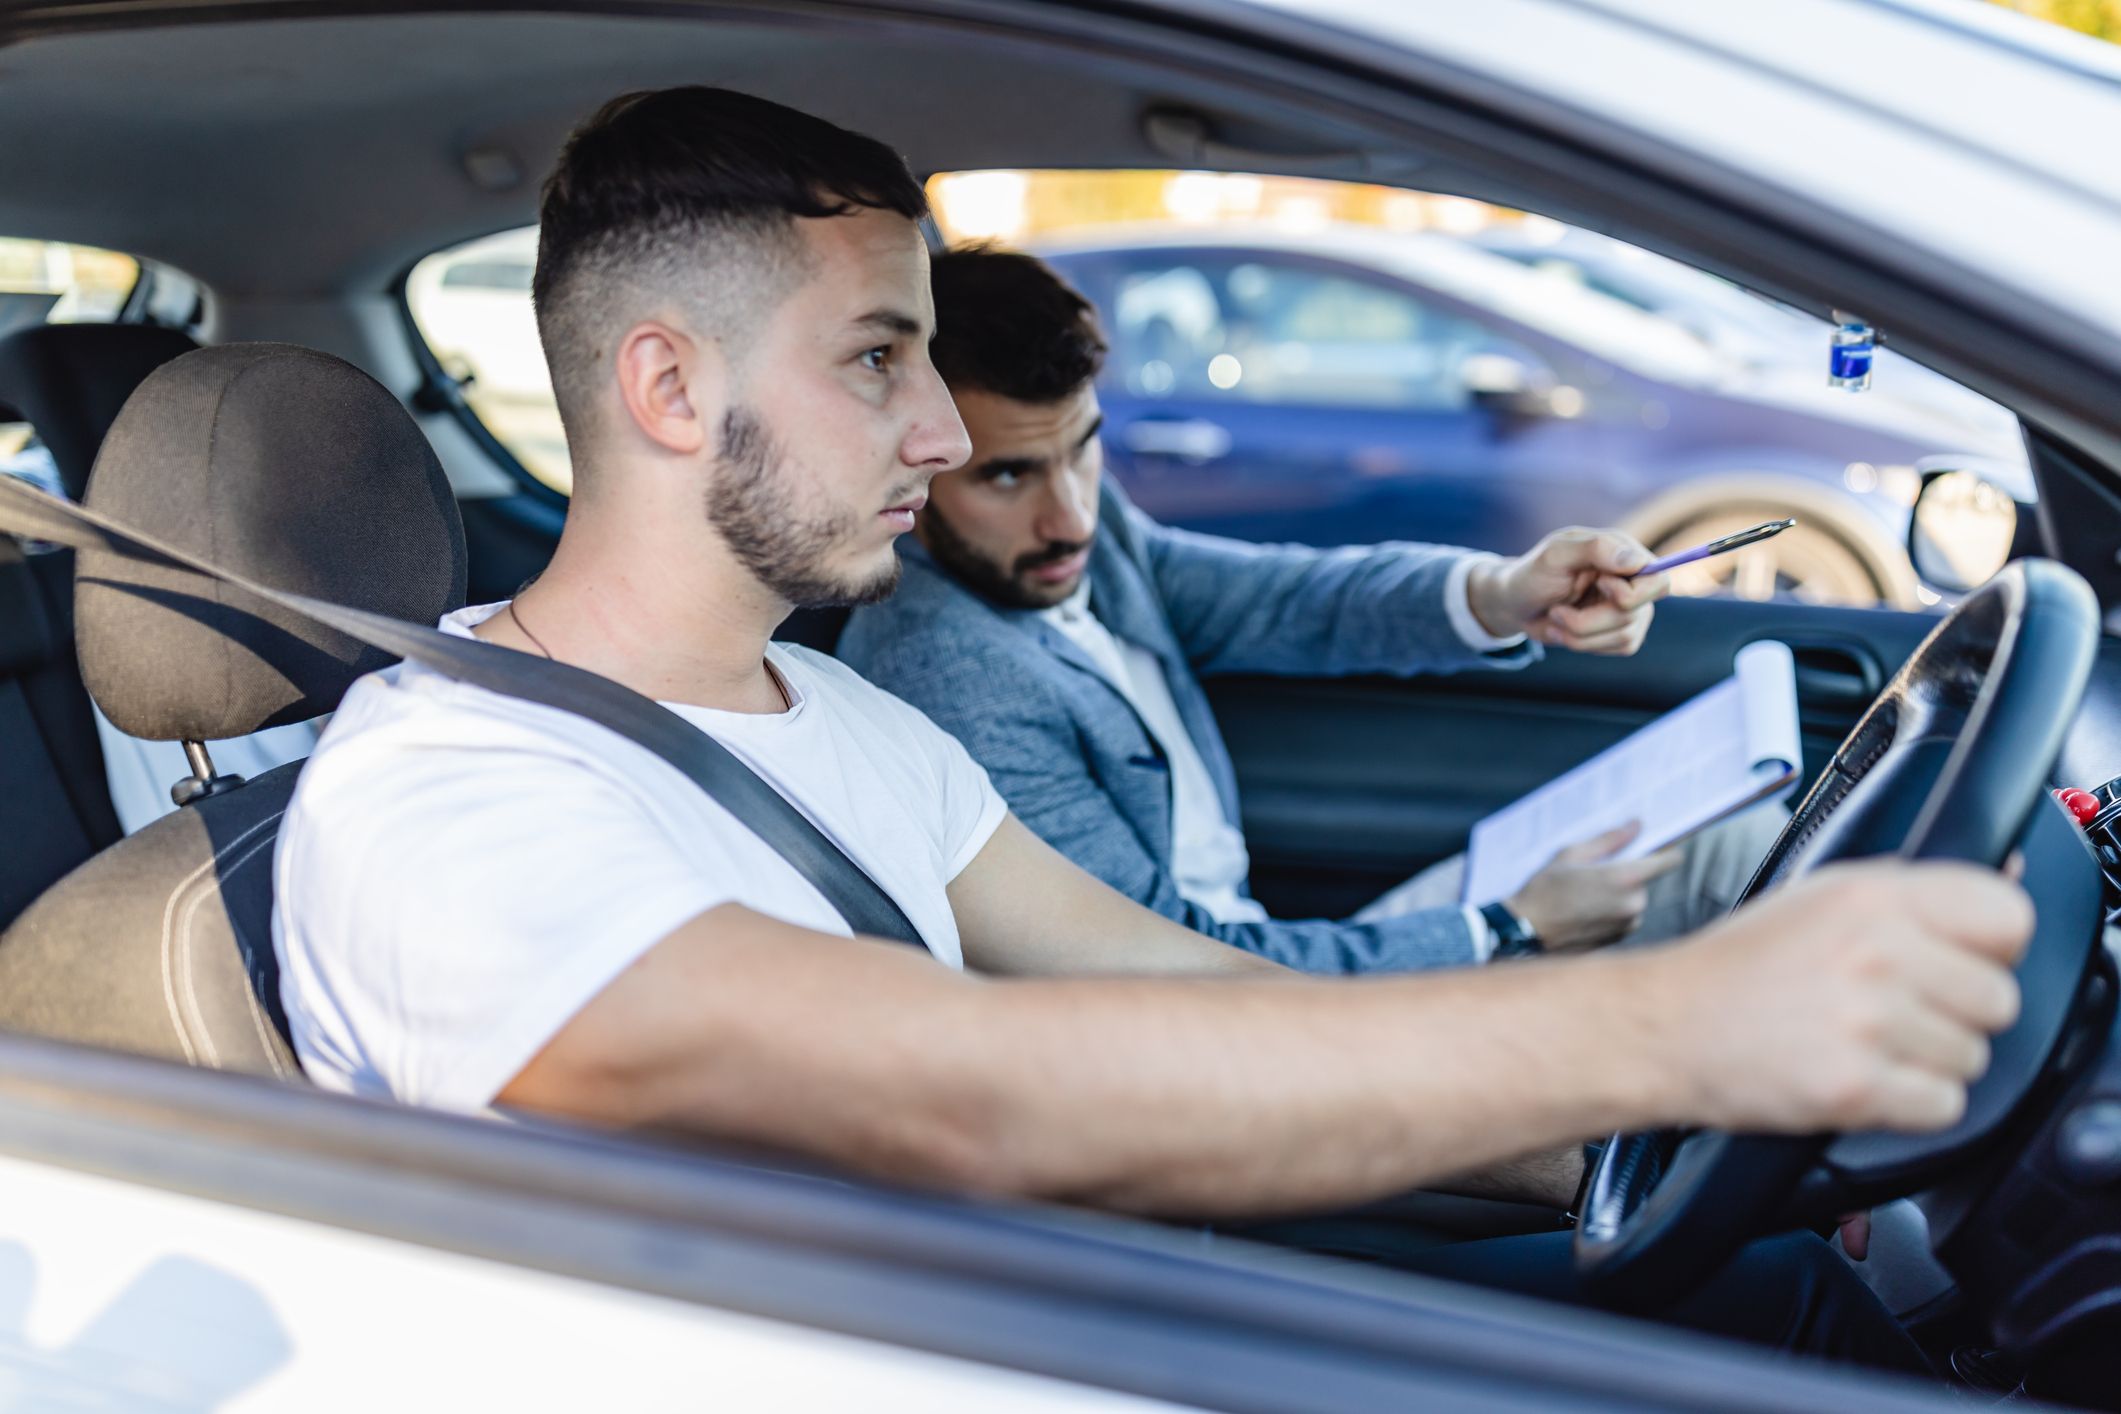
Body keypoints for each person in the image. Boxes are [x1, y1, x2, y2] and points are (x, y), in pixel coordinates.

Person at [272, 86, 2030, 1373]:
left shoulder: (838, 716)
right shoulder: (443, 800)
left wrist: (1649, 1152)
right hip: (974, 1347)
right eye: (876, 359)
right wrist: (1683, 1023)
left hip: (1055, 1311)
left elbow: (1195, 988)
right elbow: (962, 1095)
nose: (940, 436)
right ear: (670, 387)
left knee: (1780, 1299)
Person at [839, 245, 1780, 974]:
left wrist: (1504, 593)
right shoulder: (946, 670)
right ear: (918, 461)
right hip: (1234, 1034)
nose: (1071, 516)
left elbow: (1289, 598)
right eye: (1007, 476)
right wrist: (1505, 929)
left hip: (1271, 962)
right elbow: (1173, 970)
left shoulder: (1083, 531)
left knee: (1734, 840)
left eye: (1082, 448)